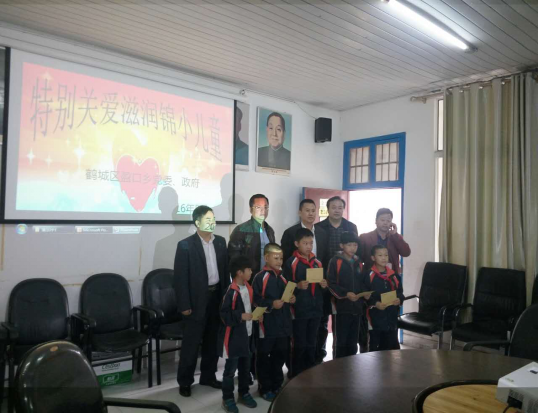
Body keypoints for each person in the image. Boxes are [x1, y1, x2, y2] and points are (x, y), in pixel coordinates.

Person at [174, 206, 230, 397]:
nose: (212, 222)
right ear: (197, 222)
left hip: (216, 298)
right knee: (191, 343)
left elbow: (225, 272)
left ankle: (208, 376)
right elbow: (180, 279)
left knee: (212, 341)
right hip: (196, 300)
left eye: (213, 219)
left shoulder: (220, 242)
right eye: (207, 219)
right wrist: (184, 305)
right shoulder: (185, 245)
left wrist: (226, 298)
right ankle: (185, 381)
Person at [315, 196, 359, 359]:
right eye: (333, 207)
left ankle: (344, 356)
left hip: (345, 279)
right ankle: (320, 353)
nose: (337, 210)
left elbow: (355, 251)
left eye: (340, 207)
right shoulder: (319, 227)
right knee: (323, 318)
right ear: (327, 209)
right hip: (325, 278)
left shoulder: (351, 227)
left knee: (343, 319)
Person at [252, 243, 295, 402]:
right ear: (266, 258)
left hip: (283, 325)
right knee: (264, 356)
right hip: (267, 326)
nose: (279, 261)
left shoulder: (284, 277)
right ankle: (265, 387)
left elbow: (287, 298)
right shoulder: (260, 277)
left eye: (281, 258)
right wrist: (271, 304)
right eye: (276, 258)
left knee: (280, 355)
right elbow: (255, 300)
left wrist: (292, 299)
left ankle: (277, 384)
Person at [283, 228, 327, 377]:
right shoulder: (291, 263)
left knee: (312, 341)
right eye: (305, 243)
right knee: (299, 342)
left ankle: (309, 371)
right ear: (297, 244)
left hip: (316, 308)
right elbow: (286, 286)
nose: (309, 246)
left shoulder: (317, 262)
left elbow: (323, 288)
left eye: (311, 243)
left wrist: (324, 285)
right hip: (299, 309)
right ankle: (295, 372)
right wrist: (297, 285)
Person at [218, 256, 259, 413]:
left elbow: (250, 307)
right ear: (239, 272)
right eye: (249, 269)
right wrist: (240, 316)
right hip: (234, 338)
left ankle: (244, 393)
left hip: (247, 336)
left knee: (245, 367)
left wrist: (256, 314)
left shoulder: (249, 288)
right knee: (230, 370)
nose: (251, 272)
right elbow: (224, 315)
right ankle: (227, 398)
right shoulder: (231, 292)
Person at [327, 232, 371, 358]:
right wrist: (345, 294)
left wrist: (365, 294)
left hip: (357, 307)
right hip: (341, 307)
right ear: (342, 246)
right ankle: (338, 365)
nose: (353, 248)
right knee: (340, 340)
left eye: (355, 245)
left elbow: (362, 282)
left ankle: (351, 365)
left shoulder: (359, 262)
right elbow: (331, 284)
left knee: (352, 341)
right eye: (349, 245)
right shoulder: (335, 261)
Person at [363, 245, 404, 352]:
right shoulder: (368, 275)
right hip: (375, 318)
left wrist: (399, 299)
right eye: (380, 255)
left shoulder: (394, 275)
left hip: (391, 318)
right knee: (376, 349)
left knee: (392, 347)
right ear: (373, 258)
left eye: (386, 255)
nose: (384, 258)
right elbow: (364, 295)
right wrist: (375, 303)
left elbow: (400, 292)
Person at [229, 194, 276, 276]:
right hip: (248, 277)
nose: (263, 211)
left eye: (265, 207)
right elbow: (234, 258)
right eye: (258, 207)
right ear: (251, 210)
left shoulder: (270, 230)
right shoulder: (241, 230)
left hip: (267, 276)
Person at [359, 208, 411, 276]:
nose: (385, 223)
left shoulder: (395, 237)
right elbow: (359, 259)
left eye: (388, 221)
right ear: (376, 221)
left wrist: (395, 234)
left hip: (391, 276)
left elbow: (406, 253)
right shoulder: (365, 237)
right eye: (382, 220)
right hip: (370, 276)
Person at [281, 199, 329, 265]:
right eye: (307, 210)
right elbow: (285, 257)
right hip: (297, 269)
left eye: (313, 211)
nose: (311, 214)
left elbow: (325, 257)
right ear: (300, 213)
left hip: (317, 269)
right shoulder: (290, 232)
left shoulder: (322, 233)